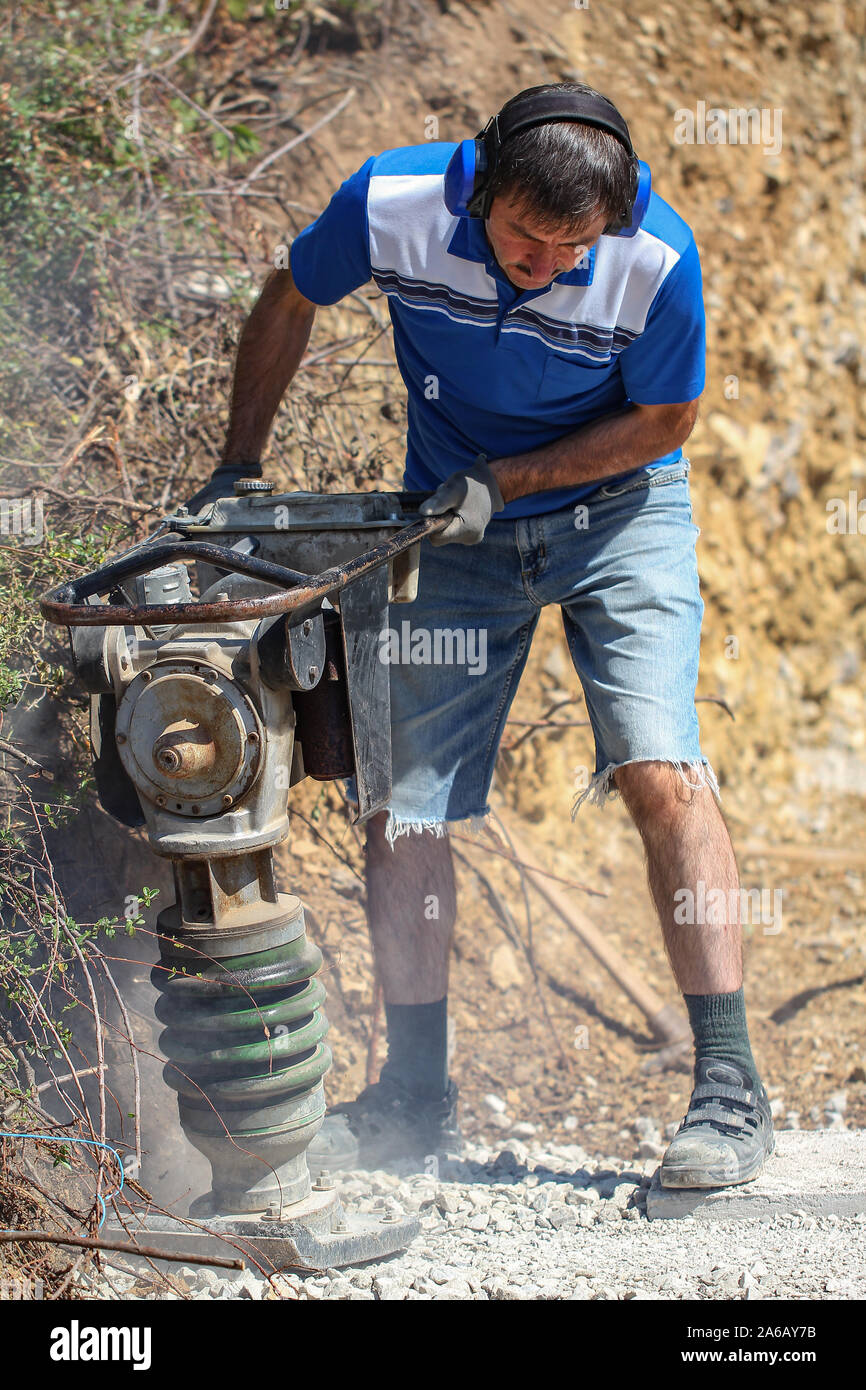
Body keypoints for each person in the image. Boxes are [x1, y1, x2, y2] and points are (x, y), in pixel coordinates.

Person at [189, 83, 774, 1190]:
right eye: (523, 238)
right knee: (402, 803)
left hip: (617, 512)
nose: (545, 264)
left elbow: (665, 420)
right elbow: (288, 295)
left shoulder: (654, 256)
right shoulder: (396, 201)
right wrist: (236, 468)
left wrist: (505, 481)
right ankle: (413, 1095)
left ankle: (730, 1093)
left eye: (572, 249)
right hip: (451, 525)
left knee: (658, 765)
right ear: (478, 186)